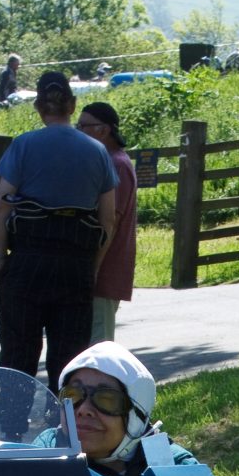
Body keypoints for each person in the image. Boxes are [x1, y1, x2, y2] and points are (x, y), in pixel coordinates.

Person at [0, 69, 118, 383]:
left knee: (17, 356)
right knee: (68, 361)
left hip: (27, 261)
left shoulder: (23, 145)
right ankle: (67, 415)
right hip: (75, 264)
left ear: (38, 106)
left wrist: (0, 257)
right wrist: (93, 266)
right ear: (72, 105)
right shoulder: (97, 151)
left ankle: (14, 415)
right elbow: (108, 219)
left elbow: (1, 206)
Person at [56, 343, 163, 476]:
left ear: (136, 418)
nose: (84, 409)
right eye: (72, 395)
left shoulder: (171, 468)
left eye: (106, 399)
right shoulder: (38, 457)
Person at [76, 101, 136, 343]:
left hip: (105, 270)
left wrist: (94, 267)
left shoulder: (116, 164)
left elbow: (111, 220)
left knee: (98, 345)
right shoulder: (108, 161)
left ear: (103, 129)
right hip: (97, 269)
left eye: (83, 126)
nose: (79, 132)